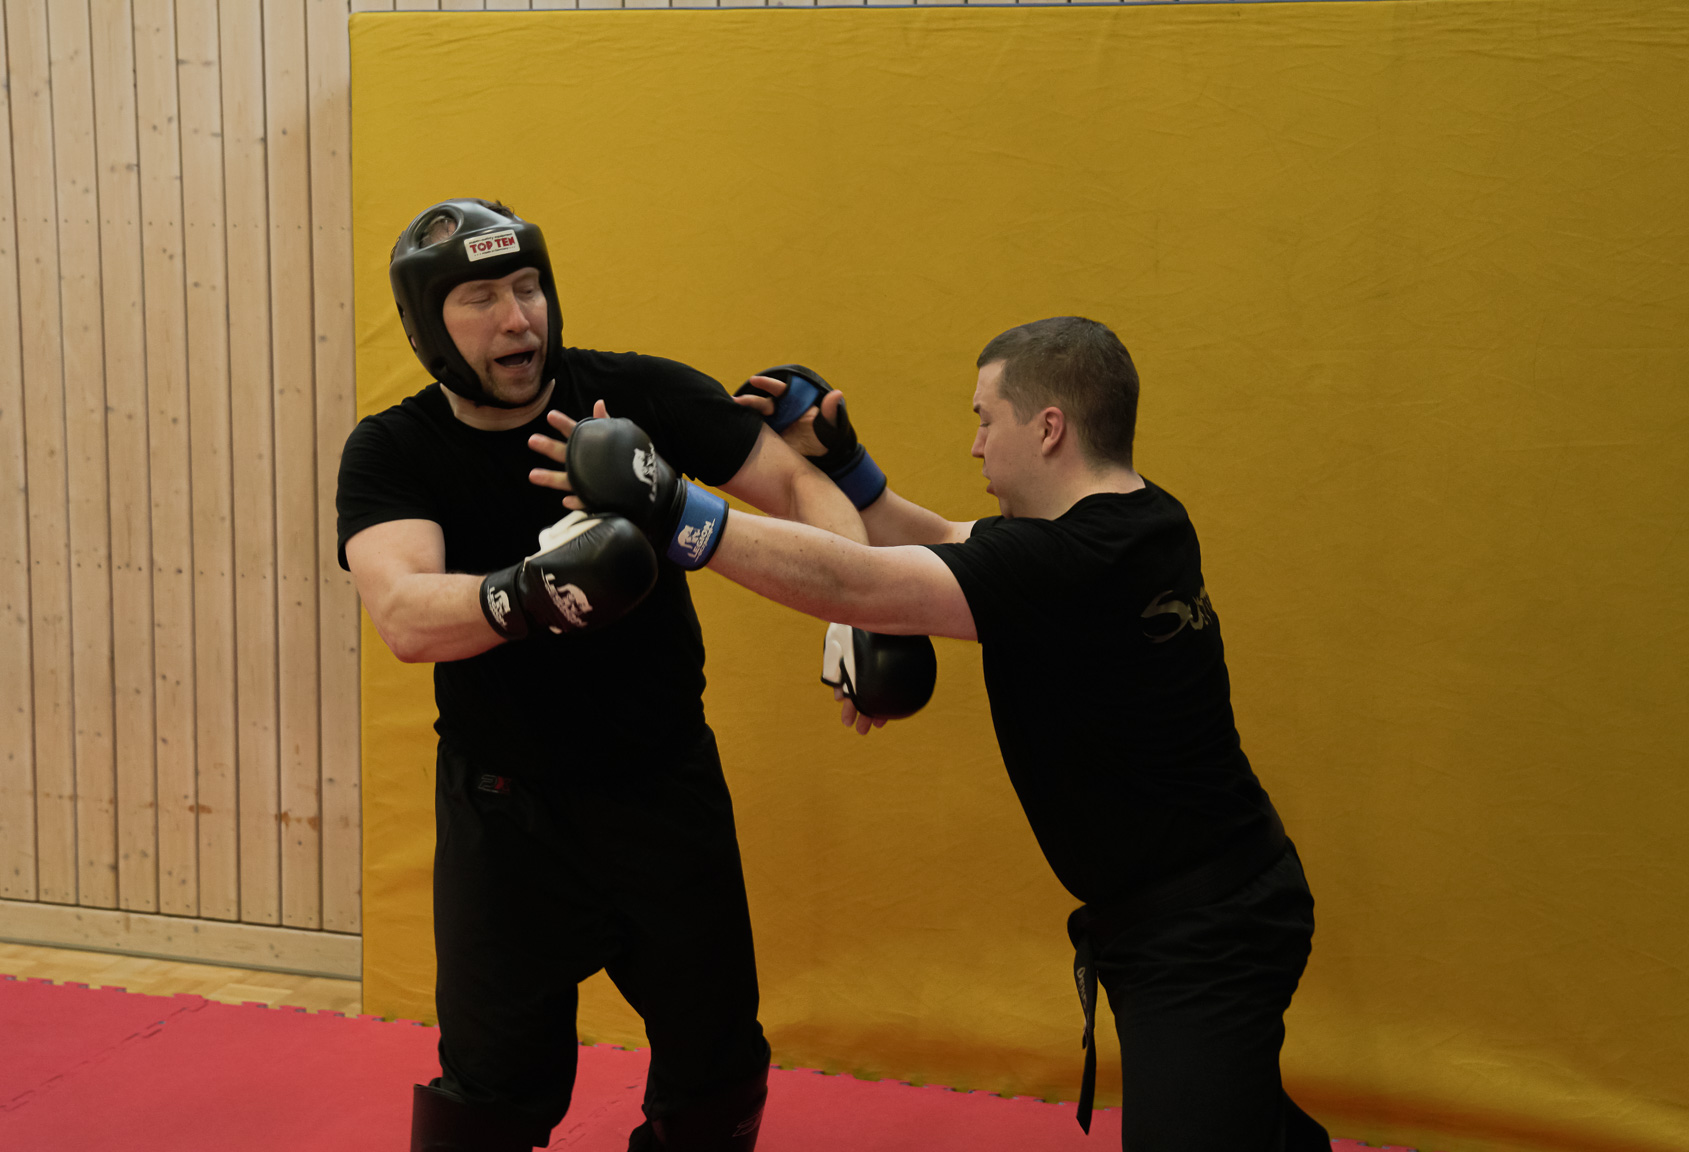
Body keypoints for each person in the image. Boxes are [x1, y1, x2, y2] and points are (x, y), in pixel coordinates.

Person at [532, 317, 1331, 1151]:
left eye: (987, 419)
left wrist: (675, 509)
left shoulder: (1073, 563)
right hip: (1207, 907)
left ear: (1049, 427)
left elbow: (863, 584)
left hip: (1205, 936)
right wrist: (847, 466)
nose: (977, 444)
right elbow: (945, 540)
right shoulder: (1142, 522)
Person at [336, 198, 866, 1152]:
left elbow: (798, 484)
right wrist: (532, 593)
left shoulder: (639, 398)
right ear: (427, 328)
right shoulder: (395, 449)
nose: (518, 319)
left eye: (528, 286)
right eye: (482, 298)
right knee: (487, 1102)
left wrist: (855, 608)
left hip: (665, 793)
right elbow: (404, 614)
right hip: (507, 816)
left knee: (717, 1082)